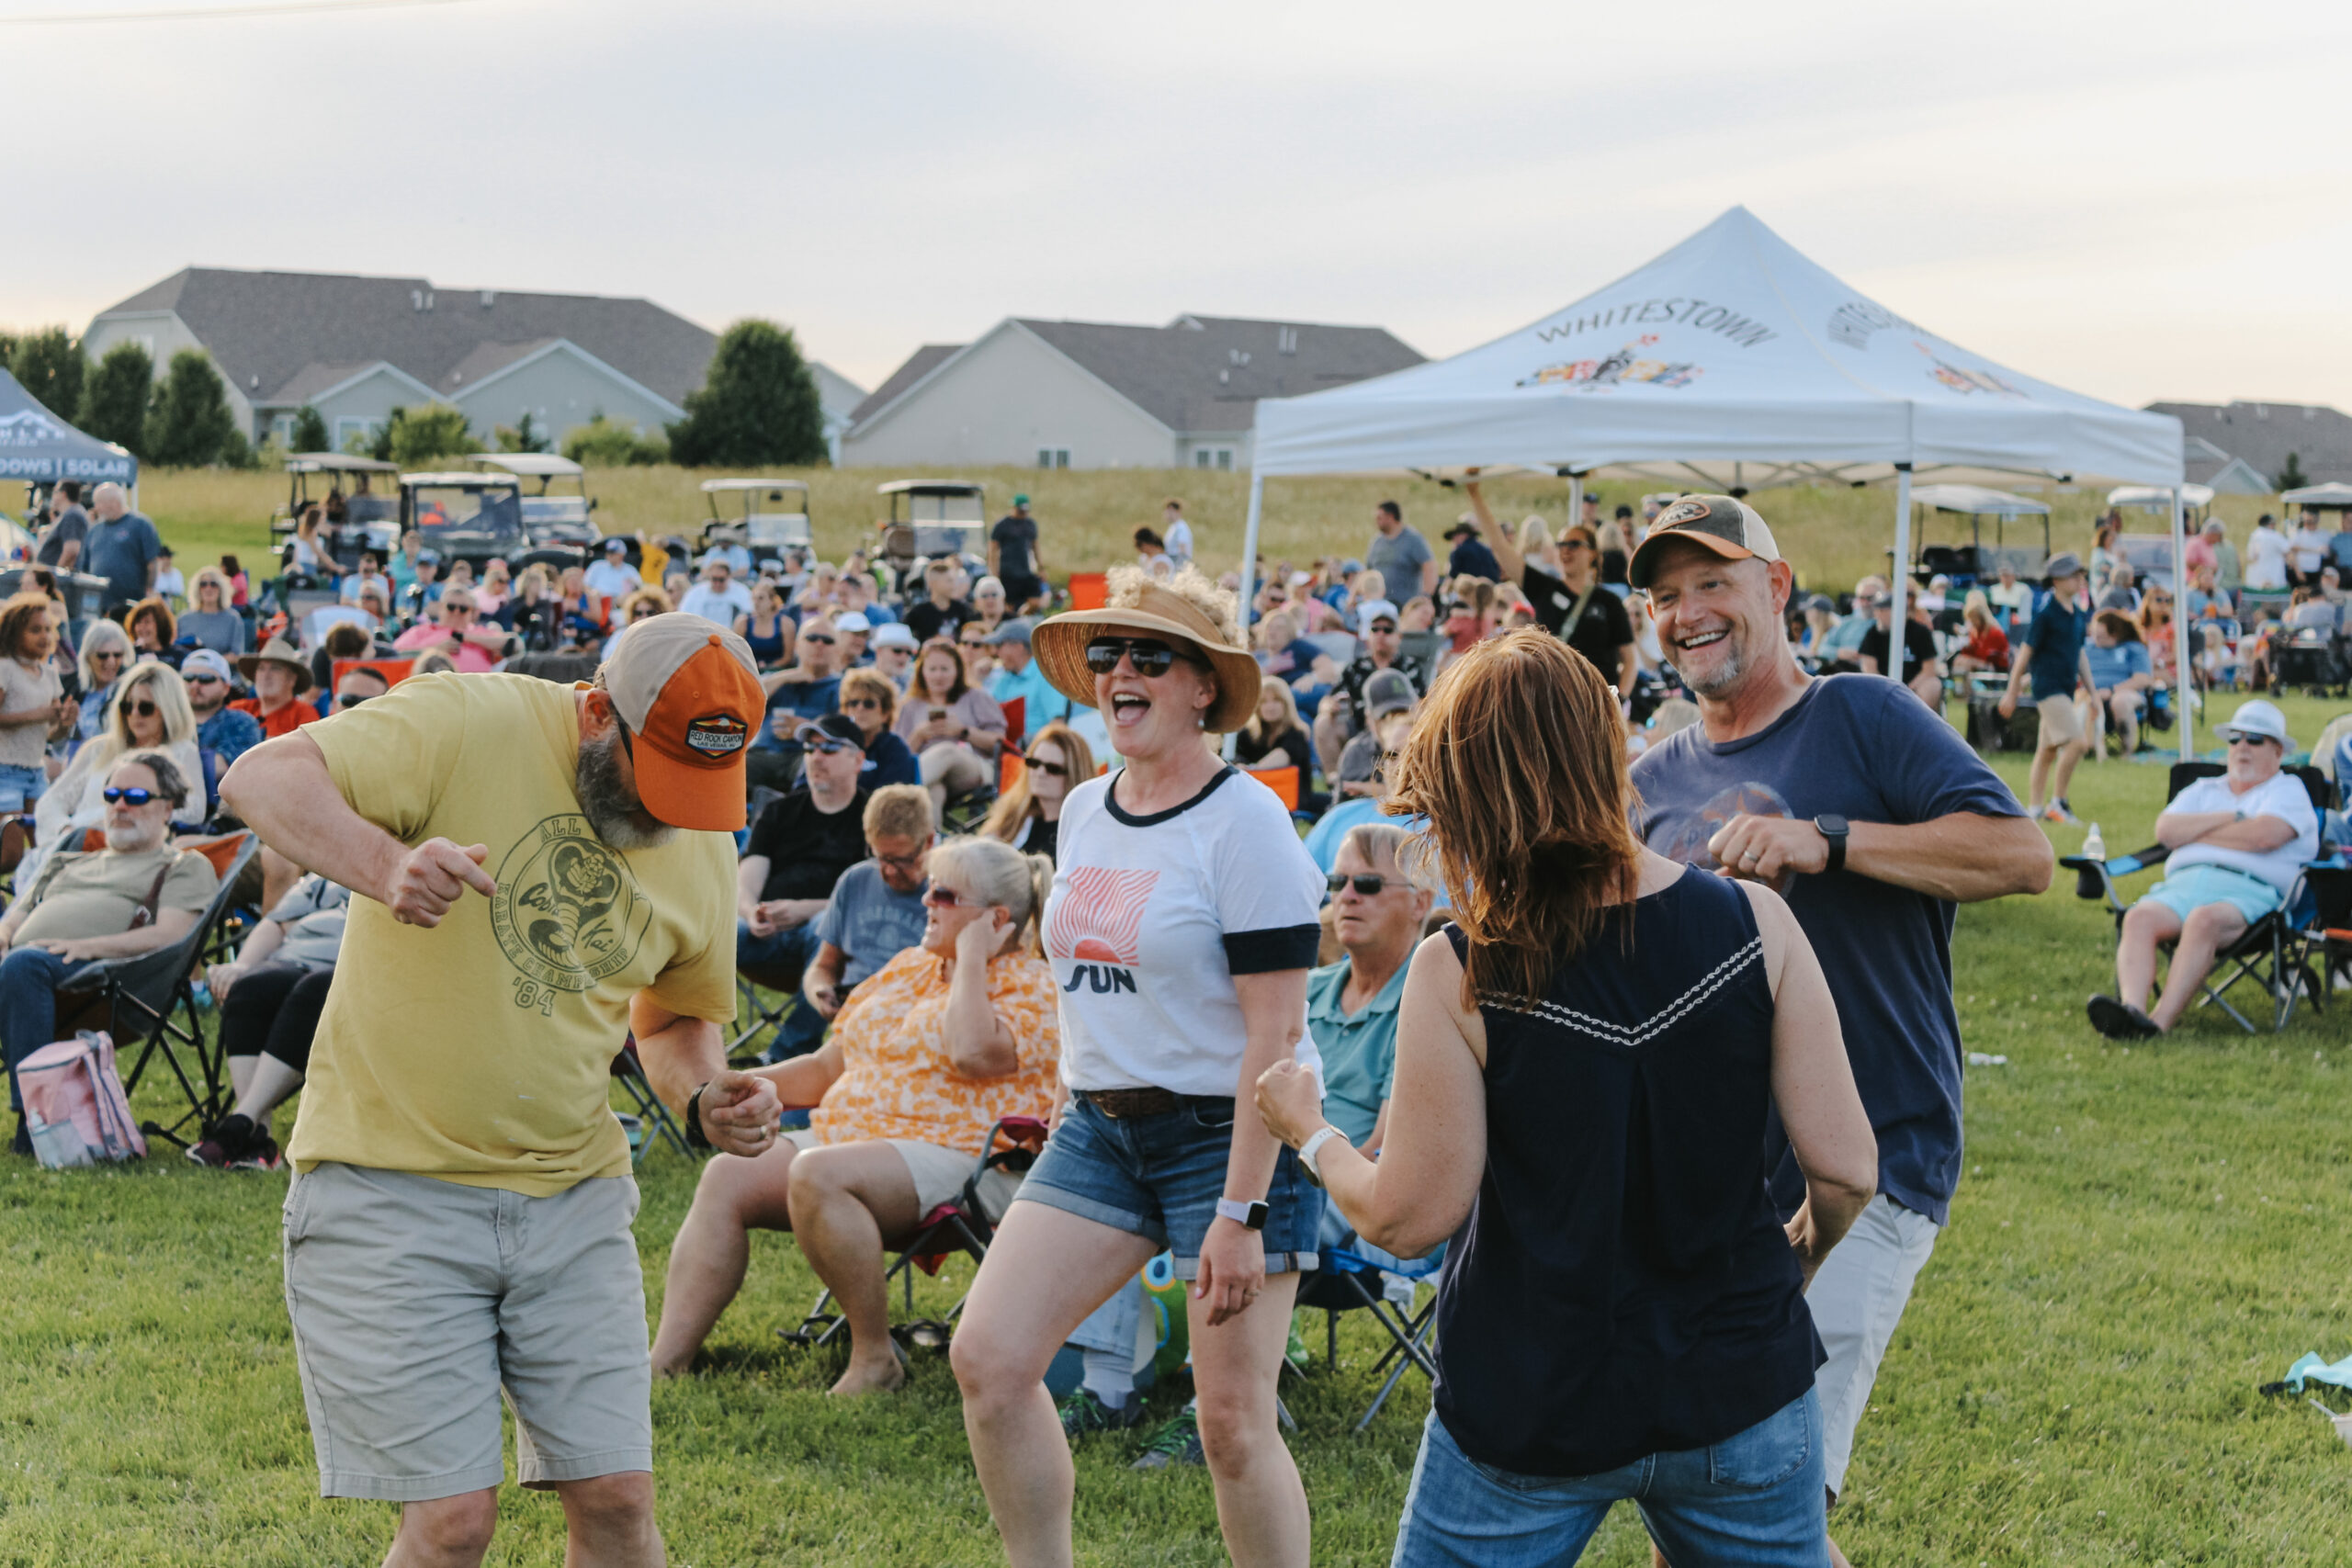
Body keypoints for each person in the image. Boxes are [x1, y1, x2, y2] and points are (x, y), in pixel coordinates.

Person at [1253, 628, 1879, 1568]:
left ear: (1462, 788)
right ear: (1603, 750)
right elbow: (1844, 1171)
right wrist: (1803, 1251)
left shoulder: (1455, 967)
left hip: (1530, 1399)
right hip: (1735, 1381)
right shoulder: (1757, 920)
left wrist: (1308, 1133)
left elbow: (1409, 1217)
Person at [218, 615, 780, 1567]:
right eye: (662, 780)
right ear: (599, 713)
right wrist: (386, 864)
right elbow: (257, 779)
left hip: (573, 1198)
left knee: (616, 1499)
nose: (672, 817)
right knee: (451, 1523)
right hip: (389, 1185)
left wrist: (707, 1095)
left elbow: (675, 1019)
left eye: (703, 789)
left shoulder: (701, 832)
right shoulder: (468, 718)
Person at [1625, 494, 2051, 1567]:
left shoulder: (1858, 715)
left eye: (1712, 584)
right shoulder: (1649, 780)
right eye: (1665, 596)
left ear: (1775, 589)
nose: (1686, 614)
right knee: (1707, 1499)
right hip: (1703, 1189)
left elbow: (2018, 856)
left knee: (1766, 1504)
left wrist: (1829, 840)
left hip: (1864, 1165)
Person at [951, 564, 1326, 1568]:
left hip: (1232, 1136)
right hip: (1104, 1129)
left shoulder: (1245, 821)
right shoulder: (1083, 811)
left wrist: (1241, 1214)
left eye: (1149, 657)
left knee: (1232, 1425)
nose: (1121, 673)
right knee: (989, 1360)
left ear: (1203, 686)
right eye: (1109, 656)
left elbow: (1276, 1036)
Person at [657, 835, 1059, 1393]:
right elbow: (827, 1068)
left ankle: (874, 1358)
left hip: (970, 1160)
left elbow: (971, 1051)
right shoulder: (909, 967)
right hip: (857, 1141)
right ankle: (667, 1358)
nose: (925, 902)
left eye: (944, 894)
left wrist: (972, 958)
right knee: (728, 1175)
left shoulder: (1035, 985)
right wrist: (723, 1090)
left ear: (995, 918)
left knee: (821, 1172)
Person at [1, 752, 219, 1148]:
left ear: (168, 806)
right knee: (20, 963)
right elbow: (16, 916)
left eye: (135, 796)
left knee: (24, 966)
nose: (120, 805)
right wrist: (4, 933)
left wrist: (85, 947)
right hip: (22, 965)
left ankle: (35, 1122)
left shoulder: (182, 866)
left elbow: (172, 936)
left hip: (103, 982)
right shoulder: (68, 861)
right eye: (112, 794)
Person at [2089, 700, 2318, 1039]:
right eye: (2235, 738)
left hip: (2249, 891)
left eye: (2255, 740)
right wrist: (2231, 818)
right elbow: (2166, 832)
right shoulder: (2203, 789)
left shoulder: (2287, 790)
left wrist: (2198, 833)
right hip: (2183, 884)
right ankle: (2131, 1012)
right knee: (2138, 917)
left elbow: (2264, 836)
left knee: (2203, 920)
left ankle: (2157, 1024)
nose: (2242, 747)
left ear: (2278, 751)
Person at [187, 870, 353, 1170]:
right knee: (250, 988)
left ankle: (242, 1120)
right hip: (293, 960)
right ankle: (258, 1140)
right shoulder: (325, 877)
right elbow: (276, 924)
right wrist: (242, 966)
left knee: (312, 992)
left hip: (348, 971)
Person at [1464, 477, 1637, 694]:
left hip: (1597, 703)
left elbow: (1629, 660)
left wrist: (1618, 702)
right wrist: (1474, 494)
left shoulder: (1609, 602)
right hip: (1552, 699)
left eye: (1574, 544)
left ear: (1593, 553)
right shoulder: (1543, 588)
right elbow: (1499, 546)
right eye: (1561, 544)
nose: (1566, 550)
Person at [798, 784, 936, 1044]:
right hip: (851, 1029)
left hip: (914, 1032)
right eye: (881, 858)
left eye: (903, 860)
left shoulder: (944, 893)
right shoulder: (856, 880)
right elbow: (824, 966)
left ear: (929, 841)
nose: (890, 871)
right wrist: (821, 992)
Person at [38, 661, 206, 858]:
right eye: (127, 706)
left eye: (145, 707)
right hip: (77, 842)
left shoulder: (181, 752)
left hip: (134, 849)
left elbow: (194, 809)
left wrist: (124, 819)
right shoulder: (99, 749)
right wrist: (65, 830)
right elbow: (50, 802)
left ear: (168, 710)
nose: (134, 714)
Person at [1998, 553, 2098, 826]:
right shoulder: (2046, 616)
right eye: (2073, 575)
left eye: (2080, 574)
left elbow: (2079, 656)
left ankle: (2034, 808)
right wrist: (2012, 689)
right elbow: (2025, 654)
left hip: (2065, 689)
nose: (2080, 579)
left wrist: (2093, 693)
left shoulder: (2077, 615)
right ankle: (2058, 803)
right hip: (2048, 688)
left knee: (2047, 752)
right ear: (2056, 580)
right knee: (2078, 743)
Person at [1312, 601, 1430, 777]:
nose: (1381, 634)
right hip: (1359, 726)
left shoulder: (1409, 667)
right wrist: (1328, 706)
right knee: (1323, 723)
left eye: (1387, 630)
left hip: (1397, 731)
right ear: (1368, 636)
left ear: (1399, 636)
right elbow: (1329, 698)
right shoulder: (1356, 667)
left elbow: (1423, 704)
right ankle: (1335, 779)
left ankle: (1403, 778)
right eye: (1375, 629)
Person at [898, 637, 1006, 819]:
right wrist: (918, 735)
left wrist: (963, 731)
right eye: (932, 669)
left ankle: (893, 794)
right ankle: (934, 843)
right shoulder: (910, 706)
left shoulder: (976, 697)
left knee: (946, 751)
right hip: (931, 774)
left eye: (945, 669)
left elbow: (999, 742)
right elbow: (899, 754)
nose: (938, 675)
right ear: (922, 672)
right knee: (933, 793)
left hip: (972, 769)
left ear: (957, 671)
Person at [979, 720, 1091, 863]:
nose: (1039, 773)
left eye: (1052, 768)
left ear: (1074, 774)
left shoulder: (1085, 832)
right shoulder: (1013, 816)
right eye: (1034, 763)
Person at [0, 594, 69, 817]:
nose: (44, 636)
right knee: (11, 847)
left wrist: (66, 723)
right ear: (14, 633)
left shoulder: (50, 674)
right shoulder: (6, 668)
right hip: (5, 769)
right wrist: (38, 715)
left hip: (36, 771)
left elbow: (52, 734)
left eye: (48, 629)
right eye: (35, 629)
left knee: (43, 839)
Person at [983, 620, 1072, 749]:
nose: (997, 653)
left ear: (1018, 646)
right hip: (1006, 750)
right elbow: (986, 717)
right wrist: (977, 678)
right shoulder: (1005, 679)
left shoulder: (1046, 674)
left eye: (999, 645)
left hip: (1037, 751)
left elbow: (1057, 725)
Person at [2079, 610, 2154, 755]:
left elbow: (2143, 679)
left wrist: (2112, 690)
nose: (2097, 640)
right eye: (2095, 636)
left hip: (2126, 694)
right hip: (2090, 693)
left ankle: (2126, 751)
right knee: (2080, 699)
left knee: (2120, 701)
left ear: (2116, 634)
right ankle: (2086, 748)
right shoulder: (2087, 649)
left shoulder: (2133, 649)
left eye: (2102, 637)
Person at [83, 483, 164, 619]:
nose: (95, 508)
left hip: (131, 603)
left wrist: (149, 589)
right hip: (100, 606)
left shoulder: (140, 525)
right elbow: (85, 566)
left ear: (114, 502)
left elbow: (152, 562)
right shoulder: (94, 531)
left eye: (98, 503)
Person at [179, 649, 264, 771]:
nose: (195, 685)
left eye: (206, 679)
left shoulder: (241, 722)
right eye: (188, 678)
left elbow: (222, 768)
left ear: (226, 688)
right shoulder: (164, 719)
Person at [1858, 592, 1946, 709]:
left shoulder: (1920, 632)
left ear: (1898, 611)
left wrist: (1906, 690)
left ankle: (1917, 721)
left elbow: (1929, 670)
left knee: (1933, 685)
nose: (1877, 615)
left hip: (1915, 688)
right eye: (1877, 610)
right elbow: (1869, 669)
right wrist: (1889, 690)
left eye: (1882, 610)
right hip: (1882, 688)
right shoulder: (1872, 633)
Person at [838, 667, 920, 790]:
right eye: (854, 703)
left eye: (869, 703)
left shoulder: (895, 749)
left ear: (886, 713)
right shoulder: (835, 744)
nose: (860, 708)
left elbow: (890, 800)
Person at [391, 588, 505, 673]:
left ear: (472, 612)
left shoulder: (479, 632)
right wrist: (435, 650)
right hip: (431, 686)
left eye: (463, 609)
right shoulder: (422, 631)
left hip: (475, 689)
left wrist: (465, 637)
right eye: (451, 607)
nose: (456, 612)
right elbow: (395, 654)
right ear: (441, 608)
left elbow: (512, 643)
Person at [232, 638, 324, 741]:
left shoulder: (303, 714)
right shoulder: (239, 709)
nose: (266, 675)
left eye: (275, 668)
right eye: (261, 668)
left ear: (291, 679)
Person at [1366, 499, 1438, 598]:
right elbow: (1368, 571)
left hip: (1405, 604)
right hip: (1380, 604)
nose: (1376, 521)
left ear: (1390, 517)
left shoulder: (1413, 539)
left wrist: (1426, 595)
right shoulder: (1377, 542)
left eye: (1379, 518)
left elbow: (1429, 566)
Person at [990, 494, 1048, 612]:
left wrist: (1041, 568)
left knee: (1035, 601)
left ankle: (1023, 616)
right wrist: (993, 572)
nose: (1023, 514)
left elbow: (1035, 546)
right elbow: (993, 550)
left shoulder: (1030, 524)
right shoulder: (1002, 525)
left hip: (1026, 570)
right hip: (1008, 572)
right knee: (1009, 605)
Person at [903, 558, 977, 645]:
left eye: (954, 580)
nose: (954, 585)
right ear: (932, 583)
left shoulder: (962, 610)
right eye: (949, 581)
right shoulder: (918, 612)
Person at [179, 568, 247, 655]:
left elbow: (236, 654)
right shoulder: (183, 619)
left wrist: (210, 663)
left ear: (221, 589)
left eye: (213, 584)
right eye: (203, 584)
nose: (208, 588)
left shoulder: (233, 619)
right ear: (198, 589)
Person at [1949, 591, 2012, 676]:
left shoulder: (1994, 631)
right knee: (1959, 660)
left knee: (1967, 662)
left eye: (1973, 620)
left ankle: (1968, 688)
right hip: (1983, 662)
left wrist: (1972, 657)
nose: (1971, 622)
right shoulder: (1976, 631)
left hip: (1995, 665)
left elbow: (1991, 656)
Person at [677, 558, 753, 628]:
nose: (717, 583)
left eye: (721, 580)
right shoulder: (695, 592)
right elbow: (684, 615)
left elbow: (750, 614)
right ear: (709, 576)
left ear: (729, 577)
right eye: (714, 579)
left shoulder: (742, 592)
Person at [736, 579, 794, 671]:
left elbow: (788, 658)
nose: (756, 602)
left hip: (776, 671)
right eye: (754, 598)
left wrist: (768, 667)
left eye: (761, 598)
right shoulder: (743, 622)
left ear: (771, 601)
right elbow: (737, 653)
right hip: (749, 670)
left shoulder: (786, 624)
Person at [35, 479, 87, 572]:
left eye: (55, 492)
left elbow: (72, 550)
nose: (52, 496)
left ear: (63, 494)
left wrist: (56, 576)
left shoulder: (72, 515)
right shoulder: (69, 514)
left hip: (60, 582)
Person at [1442, 516, 1500, 583]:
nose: (1454, 539)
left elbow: (1452, 575)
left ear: (1464, 535)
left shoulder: (1458, 551)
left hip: (1469, 589)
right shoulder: (1486, 549)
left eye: (1456, 535)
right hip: (1490, 588)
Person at [584, 537, 641, 603]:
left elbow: (640, 588)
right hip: (599, 603)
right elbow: (585, 585)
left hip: (620, 605)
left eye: (613, 552)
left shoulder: (630, 570)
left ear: (621, 554)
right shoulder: (597, 566)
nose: (609, 555)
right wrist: (593, 595)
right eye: (608, 552)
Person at [2245, 513, 2290, 592]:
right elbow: (2288, 551)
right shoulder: (2275, 536)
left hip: (2255, 579)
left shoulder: (2254, 535)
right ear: (2271, 524)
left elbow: (2250, 557)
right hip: (2274, 576)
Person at [2290, 509, 2331, 589]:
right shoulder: (2298, 534)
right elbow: (2292, 552)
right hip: (2301, 571)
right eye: (2306, 521)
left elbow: (2327, 553)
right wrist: (2298, 572)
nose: (2308, 524)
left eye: (2311, 521)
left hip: (2317, 572)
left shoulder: (2324, 534)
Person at [1159, 499, 1194, 569]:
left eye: (1169, 511)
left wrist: (1178, 568)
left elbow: (1182, 549)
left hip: (1177, 563)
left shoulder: (1181, 527)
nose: (1166, 514)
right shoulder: (1173, 527)